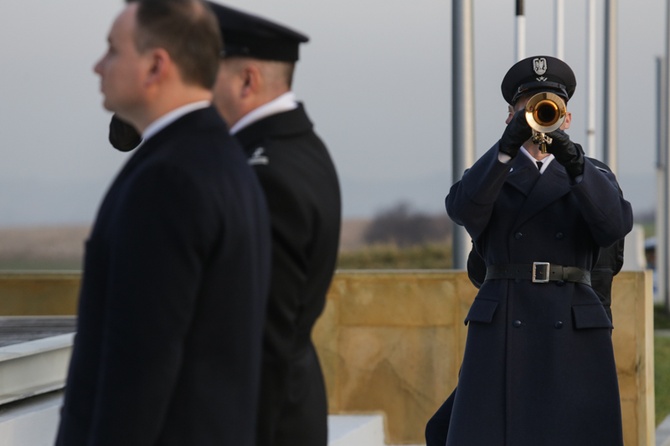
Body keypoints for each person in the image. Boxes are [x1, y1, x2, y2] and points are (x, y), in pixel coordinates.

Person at [107, 4, 341, 445]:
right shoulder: (296, 148)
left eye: (202, 77)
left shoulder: (263, 176)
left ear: (247, 81)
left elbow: (259, 344)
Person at [55, 1, 271, 445]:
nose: (98, 66)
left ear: (156, 66)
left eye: (113, 50)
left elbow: (138, 370)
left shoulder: (168, 180)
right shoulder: (221, 157)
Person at [429, 55, 633, 446]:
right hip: (507, 318)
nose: (539, 114)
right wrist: (504, 152)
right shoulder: (489, 172)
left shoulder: (593, 174)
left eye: (550, 106)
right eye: (528, 108)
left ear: (566, 119)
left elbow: (613, 226)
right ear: (510, 117)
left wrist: (575, 165)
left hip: (572, 323)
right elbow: (462, 210)